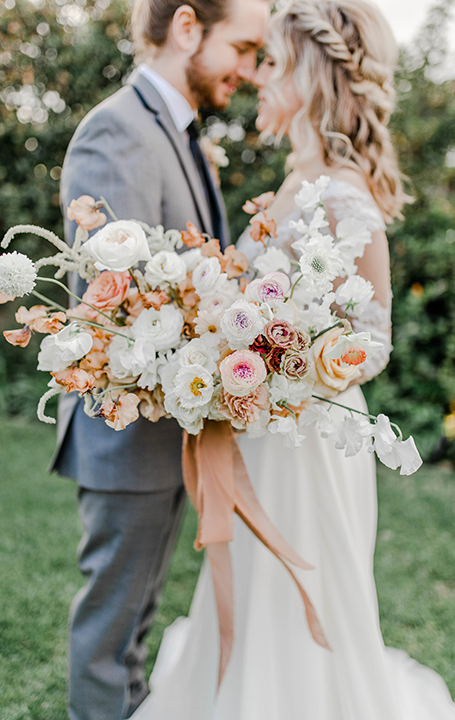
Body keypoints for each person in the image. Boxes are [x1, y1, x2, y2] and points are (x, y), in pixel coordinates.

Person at [129, 1, 455, 718]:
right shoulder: (292, 180)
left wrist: (280, 366)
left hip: (307, 443)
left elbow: (373, 339)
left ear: (309, 75)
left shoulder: (341, 191)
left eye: (271, 62)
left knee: (303, 596)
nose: (258, 77)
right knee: (250, 593)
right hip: (257, 432)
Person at [51, 1, 269, 718]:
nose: (250, 68)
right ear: (186, 28)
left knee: (134, 630)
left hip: (169, 431)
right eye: (242, 46)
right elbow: (113, 307)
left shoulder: (174, 132)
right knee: (111, 639)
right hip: (128, 435)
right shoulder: (119, 130)